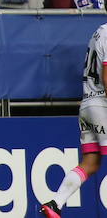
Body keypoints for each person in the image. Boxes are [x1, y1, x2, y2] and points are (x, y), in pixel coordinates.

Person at [39, 17, 107, 217]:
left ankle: (56, 203)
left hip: (87, 104)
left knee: (91, 162)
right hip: (102, 104)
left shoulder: (99, 31)